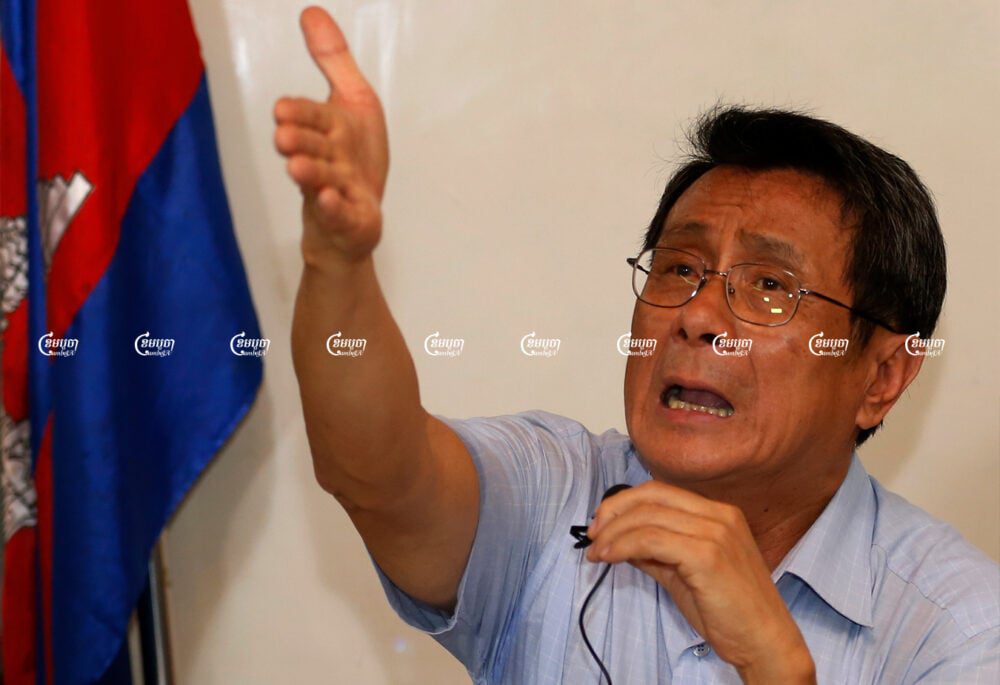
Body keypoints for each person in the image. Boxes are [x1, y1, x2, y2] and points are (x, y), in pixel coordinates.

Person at [275, 6, 999, 683]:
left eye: (771, 287)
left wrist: (777, 664)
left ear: (881, 375)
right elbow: (377, 471)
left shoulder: (957, 624)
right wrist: (338, 263)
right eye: (680, 268)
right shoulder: (554, 497)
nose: (697, 314)